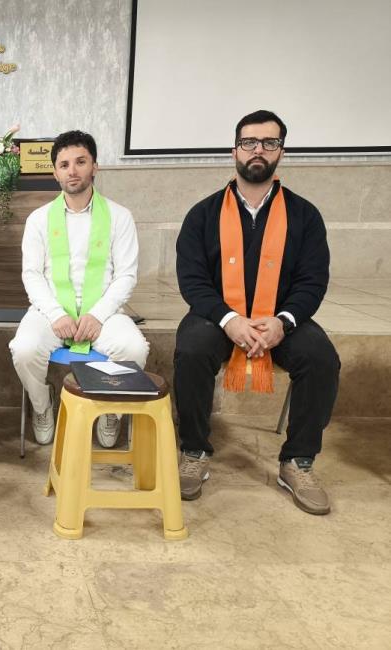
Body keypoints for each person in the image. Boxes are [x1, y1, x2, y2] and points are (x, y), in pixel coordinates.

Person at [174, 110, 340, 515]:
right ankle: (194, 451)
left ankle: (297, 461)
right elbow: (192, 281)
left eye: (269, 142)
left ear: (281, 152)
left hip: (279, 320)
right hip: (218, 317)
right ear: (235, 150)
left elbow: (312, 281)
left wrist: (284, 321)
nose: (258, 150)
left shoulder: (304, 216)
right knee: (192, 349)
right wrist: (229, 320)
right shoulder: (203, 214)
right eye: (249, 142)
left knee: (321, 358)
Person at [9, 130, 149, 446]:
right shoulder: (39, 219)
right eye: (64, 165)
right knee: (24, 348)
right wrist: (56, 314)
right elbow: (32, 275)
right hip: (51, 311)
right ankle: (42, 406)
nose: (72, 170)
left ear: (94, 166)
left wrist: (97, 315)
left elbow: (126, 275)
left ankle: (111, 412)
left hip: (103, 311)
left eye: (80, 162)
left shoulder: (119, 216)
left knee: (134, 349)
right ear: (55, 173)